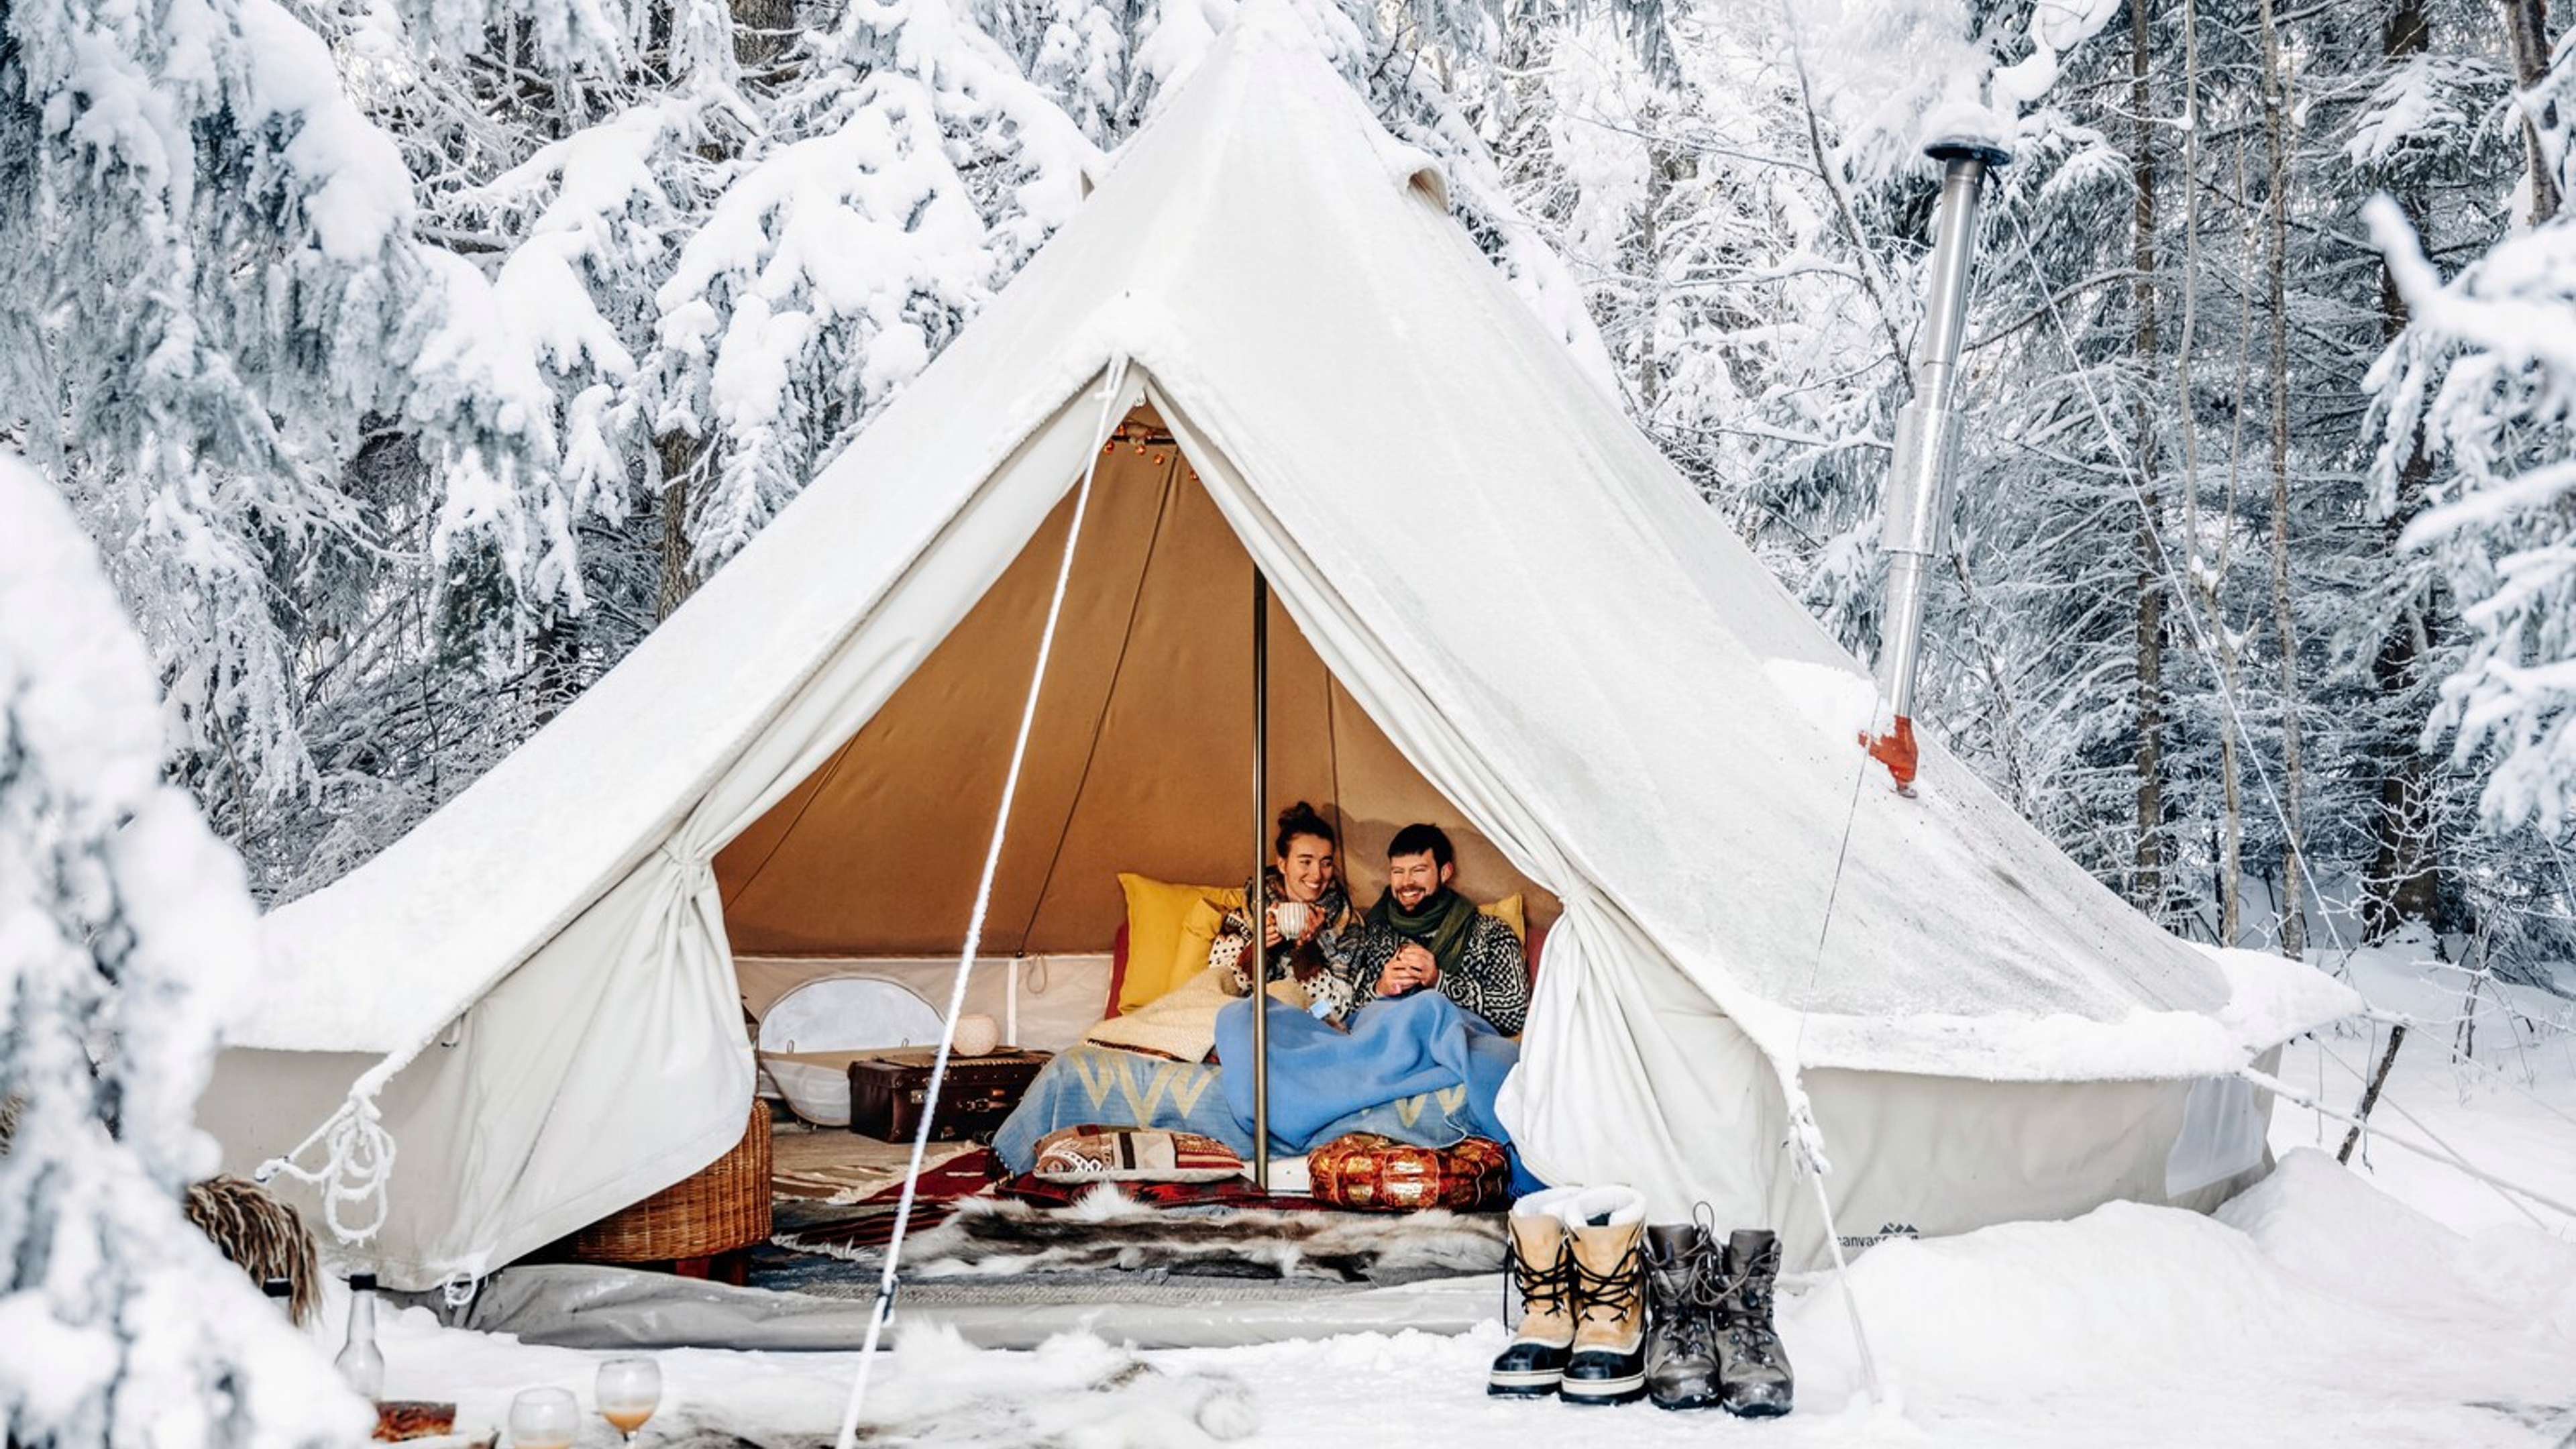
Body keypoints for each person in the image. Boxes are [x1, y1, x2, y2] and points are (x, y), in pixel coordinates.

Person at [1350, 823, 1529, 1035]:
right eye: (1398, 871)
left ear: (1445, 872)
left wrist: (1439, 981)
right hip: (1386, 1047)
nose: (1406, 882)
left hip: (1454, 1049)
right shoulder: (1375, 933)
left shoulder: (1490, 933)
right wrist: (1381, 988)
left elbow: (1515, 1013)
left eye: (1418, 870)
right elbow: (1344, 1011)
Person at [1213, 802, 1363, 1025]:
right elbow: (1218, 990)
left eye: (1326, 863)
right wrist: (1258, 950)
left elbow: (1336, 1010)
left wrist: (1306, 954)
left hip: (1301, 1026)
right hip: (1243, 1022)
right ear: (1283, 864)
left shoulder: (1348, 928)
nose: (1317, 875)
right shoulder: (1246, 917)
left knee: (1284, 1001)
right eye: (1305, 862)